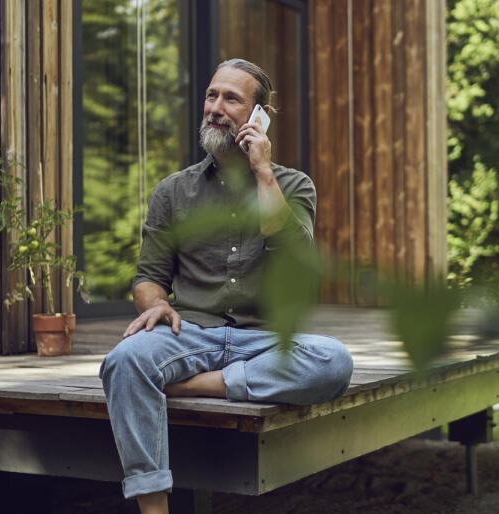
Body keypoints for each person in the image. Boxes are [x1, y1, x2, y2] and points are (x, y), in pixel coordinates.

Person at [98, 58, 354, 514]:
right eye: (212, 95)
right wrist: (155, 304)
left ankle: (195, 386)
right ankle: (154, 509)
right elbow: (148, 277)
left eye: (232, 99)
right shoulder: (173, 192)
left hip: (266, 340)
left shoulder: (293, 185)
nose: (216, 108)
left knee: (334, 361)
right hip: (190, 333)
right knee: (123, 361)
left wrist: (263, 173)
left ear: (260, 116)